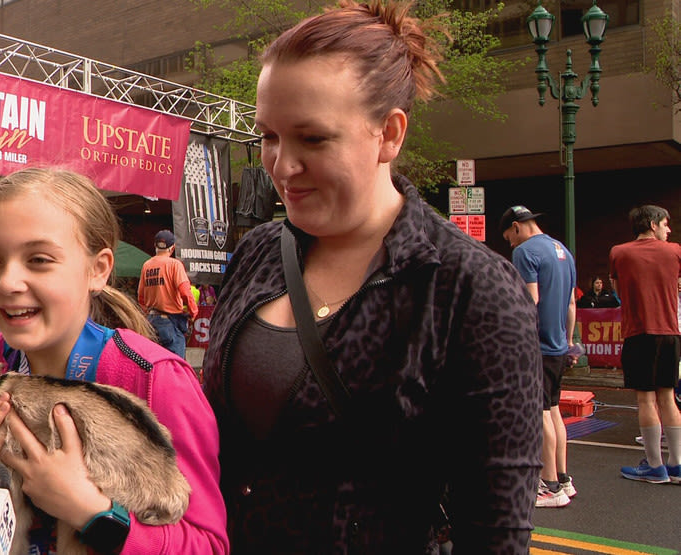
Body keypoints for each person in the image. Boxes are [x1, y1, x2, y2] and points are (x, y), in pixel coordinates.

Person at [201, 2, 542, 551]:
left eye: (313, 139)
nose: (282, 166)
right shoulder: (258, 253)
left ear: (389, 134)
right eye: (268, 136)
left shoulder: (469, 287)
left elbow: (495, 529)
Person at [0, 168, 228, 555]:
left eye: (38, 259)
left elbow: (207, 546)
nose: (7, 282)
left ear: (98, 269)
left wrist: (94, 513)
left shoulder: (155, 378)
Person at [500, 205, 579, 508]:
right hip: (558, 344)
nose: (511, 244)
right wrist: (569, 341)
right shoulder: (562, 250)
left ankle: (549, 486)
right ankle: (563, 478)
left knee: (540, 412)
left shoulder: (525, 252)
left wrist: (515, 339)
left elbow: (529, 299)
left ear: (517, 227)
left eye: (509, 238)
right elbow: (571, 301)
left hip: (537, 345)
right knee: (555, 409)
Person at [609, 205, 681, 484]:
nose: (668, 229)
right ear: (652, 224)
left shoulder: (619, 252)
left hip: (638, 333)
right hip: (669, 333)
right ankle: (676, 464)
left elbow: (618, 291)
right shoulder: (675, 251)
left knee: (646, 398)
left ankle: (654, 466)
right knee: (668, 397)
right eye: (665, 223)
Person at [137, 229, 199, 358]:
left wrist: (148, 313)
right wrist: (193, 312)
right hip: (170, 322)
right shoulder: (174, 265)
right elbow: (185, 292)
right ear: (172, 248)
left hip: (151, 321)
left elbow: (141, 296)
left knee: (153, 362)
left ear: (155, 245)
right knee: (175, 365)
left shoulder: (146, 265)